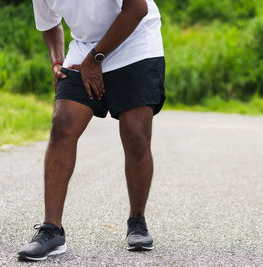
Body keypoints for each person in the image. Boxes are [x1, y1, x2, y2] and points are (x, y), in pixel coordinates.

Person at [17, 0, 165, 261]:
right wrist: (57, 62)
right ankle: (52, 231)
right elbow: (49, 23)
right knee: (62, 125)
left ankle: (137, 221)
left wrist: (96, 58)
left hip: (136, 41)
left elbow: (137, 8)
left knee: (136, 136)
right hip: (85, 50)